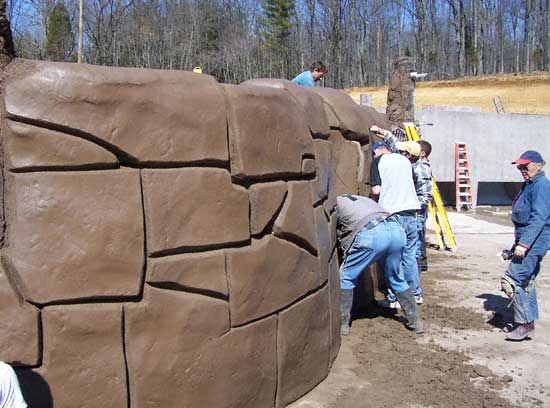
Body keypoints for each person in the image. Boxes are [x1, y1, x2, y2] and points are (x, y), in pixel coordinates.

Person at [337, 194, 423, 336]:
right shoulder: (360, 199)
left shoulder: (335, 204)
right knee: (396, 278)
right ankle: (415, 323)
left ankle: (343, 325)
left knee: (346, 277)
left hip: (371, 234)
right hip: (396, 231)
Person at [369, 126, 423, 307]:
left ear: (376, 152)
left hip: (394, 214)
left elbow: (376, 190)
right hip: (413, 213)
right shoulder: (405, 161)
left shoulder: (378, 162)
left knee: (393, 257)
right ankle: (415, 294)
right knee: (409, 256)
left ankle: (395, 299)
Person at [500, 150, 550, 341]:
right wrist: (515, 246)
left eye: (525, 166)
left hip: (536, 239)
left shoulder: (541, 186)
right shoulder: (530, 183)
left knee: (512, 280)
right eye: (520, 166)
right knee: (526, 281)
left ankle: (524, 323)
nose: (522, 169)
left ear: (538, 165)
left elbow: (539, 218)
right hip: (527, 238)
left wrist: (524, 244)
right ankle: (528, 322)